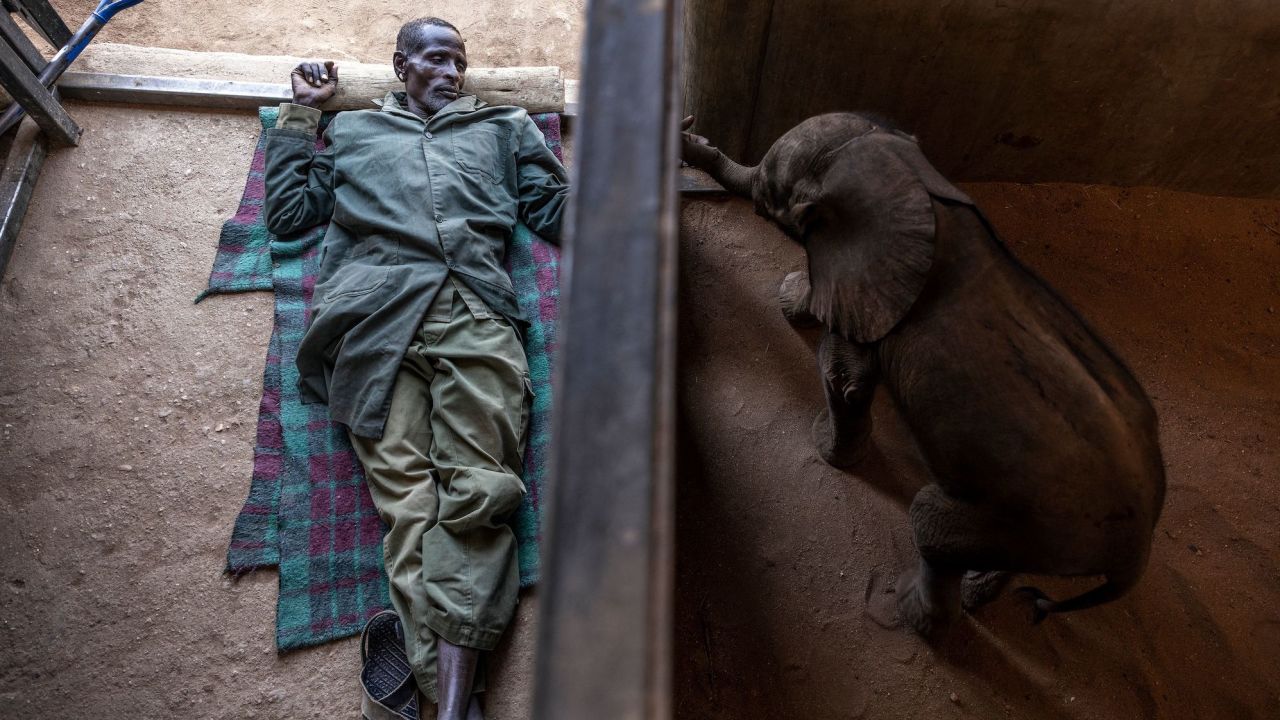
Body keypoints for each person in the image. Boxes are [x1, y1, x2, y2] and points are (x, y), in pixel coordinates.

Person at [262, 16, 570, 720]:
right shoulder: (353, 130)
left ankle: (443, 705)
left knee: (482, 494)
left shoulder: (504, 126)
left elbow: (554, 211)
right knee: (409, 509)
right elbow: (287, 216)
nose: (452, 72)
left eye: (459, 61)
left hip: (476, 315)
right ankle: (459, 702)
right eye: (436, 59)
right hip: (370, 322)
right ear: (400, 65)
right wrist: (301, 115)